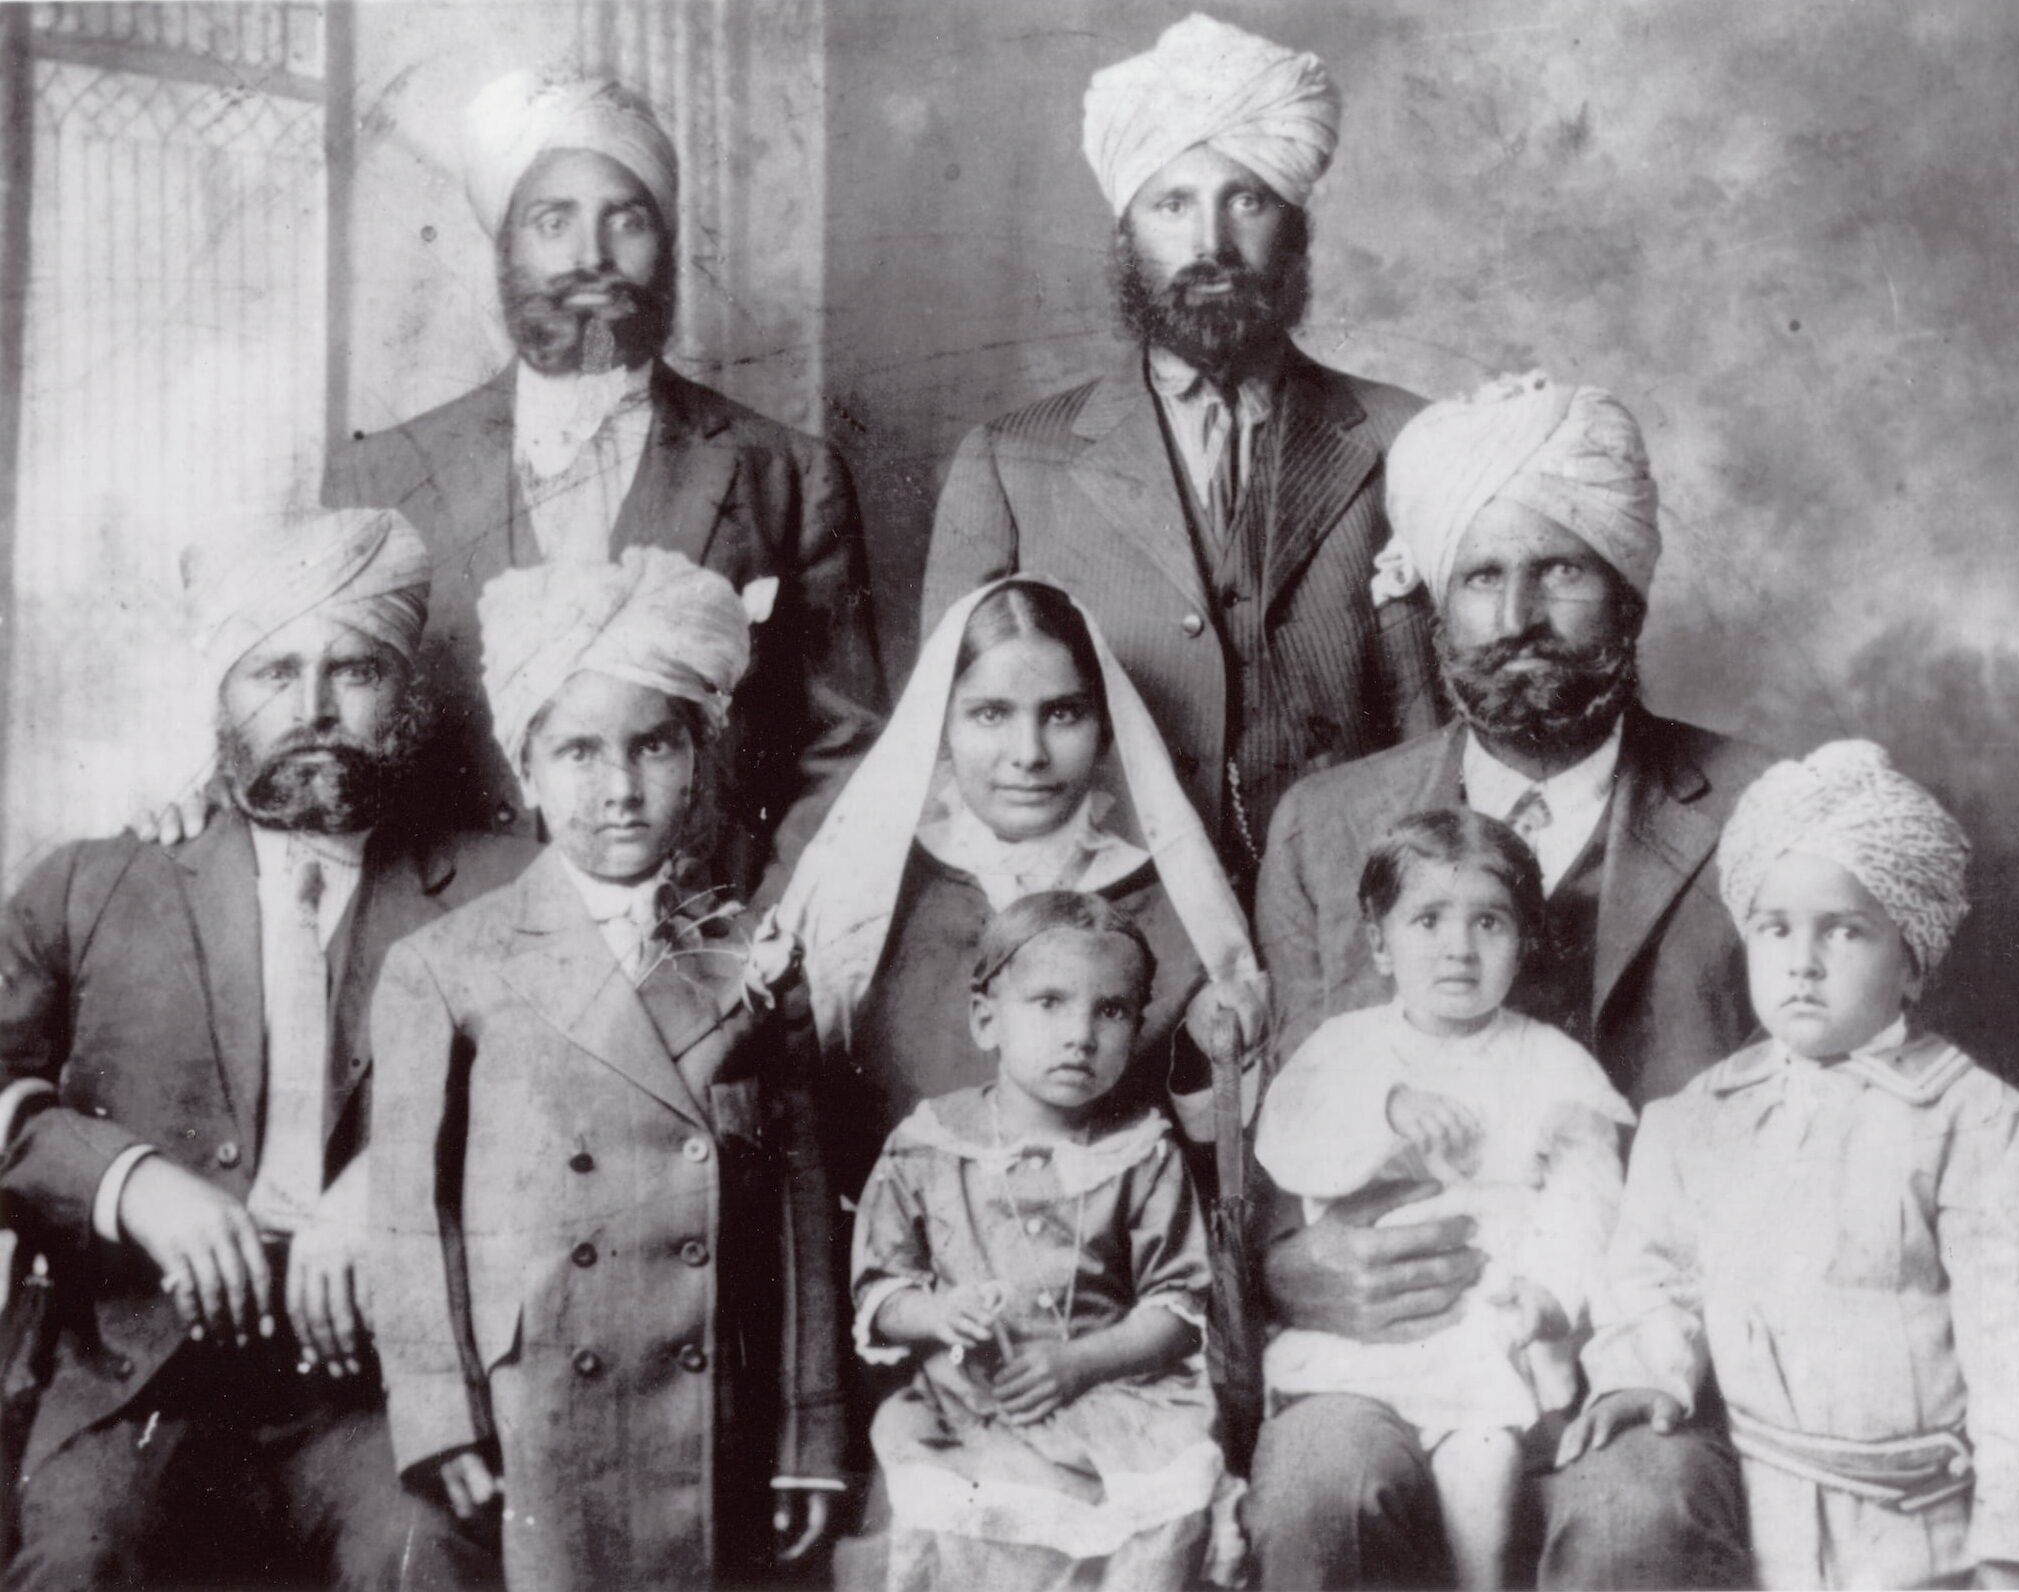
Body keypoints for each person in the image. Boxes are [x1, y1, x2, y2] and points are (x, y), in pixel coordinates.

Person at [1249, 373, 1771, 1588]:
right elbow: (1274, 1146)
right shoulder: (1326, 828)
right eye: (1480, 576)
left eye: (1562, 571)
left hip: (1652, 1352)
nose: (1518, 614)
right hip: (1391, 1348)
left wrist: (1657, 1343)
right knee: (1320, 1486)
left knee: (1641, 1514)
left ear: (1628, 591)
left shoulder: (1754, 812)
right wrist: (1296, 1267)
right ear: (1432, 601)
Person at [0, 508, 525, 1590]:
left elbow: (585, 1105)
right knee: (81, 1562)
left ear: (406, 695)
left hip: (387, 1383)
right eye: (274, 671)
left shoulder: (505, 888)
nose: (315, 709)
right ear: (223, 697)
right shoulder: (96, 884)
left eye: (357, 670)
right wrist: (131, 1184)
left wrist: (389, 1185)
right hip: (139, 1374)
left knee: (419, 1565)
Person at [369, 547, 843, 1590]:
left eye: (654, 746)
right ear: (525, 768)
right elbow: (405, 1217)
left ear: (699, 752)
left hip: (714, 1395)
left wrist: (810, 1429)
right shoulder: (445, 963)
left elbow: (805, 1213)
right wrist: (438, 1407)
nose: (619, 788)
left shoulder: (750, 950)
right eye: (577, 751)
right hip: (536, 1396)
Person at [320, 70, 883, 902]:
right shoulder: (382, 473)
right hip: (439, 942)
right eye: (554, 221)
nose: (591, 256)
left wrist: (767, 930)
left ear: (666, 243)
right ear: (505, 246)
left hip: (698, 949)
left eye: (627, 219)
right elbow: (324, 714)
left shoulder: (787, 473)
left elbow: (846, 746)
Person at [920, 14, 1442, 888]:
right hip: (1110, 933)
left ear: (1297, 229)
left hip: (1353, 919)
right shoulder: (1009, 462)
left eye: (1246, 200)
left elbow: (1440, 737)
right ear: (1126, 238)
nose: (1210, 246)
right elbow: (950, 756)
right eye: (1172, 205)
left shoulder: (1407, 439)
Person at [1561, 740, 2019, 1590]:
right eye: (1775, 928)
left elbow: (2015, 1350)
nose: (1802, 962)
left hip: (1926, 1535)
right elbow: (1653, 1276)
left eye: (1844, 931)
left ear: (1913, 961)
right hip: (1758, 1512)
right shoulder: (1694, 1120)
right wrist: (1641, 1372)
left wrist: (2012, 1550)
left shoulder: (1981, 1123)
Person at [776, 576, 1265, 1199]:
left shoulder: (1174, 904)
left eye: (1063, 713)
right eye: (990, 714)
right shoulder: (874, 900)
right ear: (941, 730)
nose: (1028, 753)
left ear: (1106, 727)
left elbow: (1216, 1159)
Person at [1255, 810, 1631, 1588]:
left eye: (1488, 922)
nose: (1458, 947)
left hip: (1491, 1327)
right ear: (1378, 944)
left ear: (1524, 942)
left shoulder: (1550, 1064)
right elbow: (1286, 1143)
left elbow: (1586, 1196)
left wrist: (1551, 1292)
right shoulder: (1346, 1049)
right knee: (1339, 1475)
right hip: (1365, 1339)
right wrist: (1386, 1108)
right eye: (1427, 920)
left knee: (1485, 1455)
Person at [851, 892, 1226, 1591]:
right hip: (966, 1407)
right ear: (987, 1019)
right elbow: (881, 1289)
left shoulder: (1141, 1151)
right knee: (953, 1516)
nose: (1080, 1033)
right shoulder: (929, 1144)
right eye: (1049, 1003)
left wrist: (1081, 1362)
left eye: (1110, 1010)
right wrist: (937, 1313)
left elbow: (1177, 1310)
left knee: (1149, 1517)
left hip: (1112, 1399)